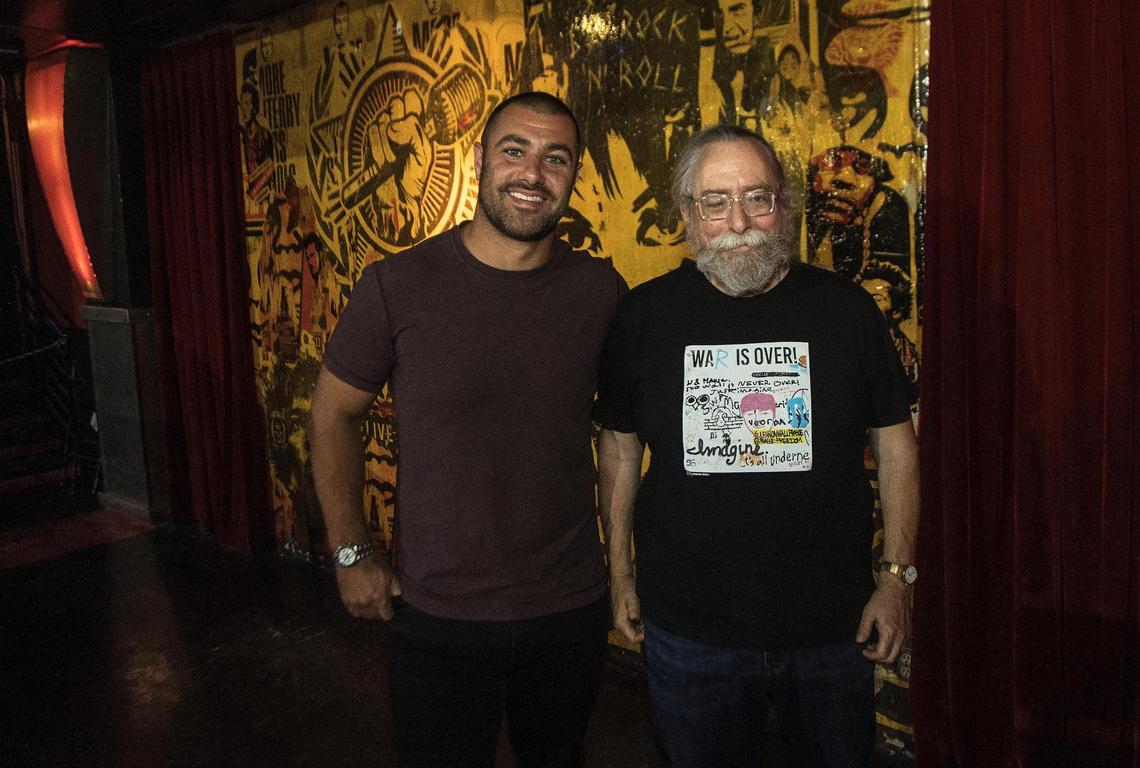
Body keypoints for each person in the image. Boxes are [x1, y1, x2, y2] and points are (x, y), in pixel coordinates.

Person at [309, 91, 626, 768]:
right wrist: (348, 551)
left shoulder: (599, 291)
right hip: (436, 614)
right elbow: (334, 414)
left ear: (574, 175)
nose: (532, 173)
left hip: (568, 609)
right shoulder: (397, 284)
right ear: (481, 159)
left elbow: (624, 434)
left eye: (555, 158)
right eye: (515, 151)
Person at [595, 124, 919, 767]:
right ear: (688, 214)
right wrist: (621, 574)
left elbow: (897, 448)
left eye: (757, 198)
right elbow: (621, 449)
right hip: (689, 631)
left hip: (832, 627)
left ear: (785, 207)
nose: (738, 221)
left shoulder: (847, 311)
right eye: (714, 203)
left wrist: (897, 579)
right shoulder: (644, 317)